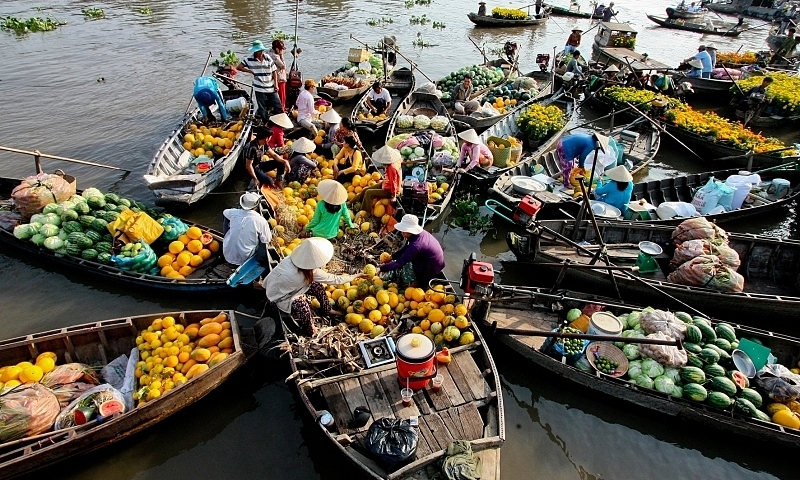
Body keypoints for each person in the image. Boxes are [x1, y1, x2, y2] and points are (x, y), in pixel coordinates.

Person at [265, 237, 367, 336]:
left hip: (276, 288)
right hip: (278, 298)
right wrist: (356, 275)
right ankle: (311, 329)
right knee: (302, 306)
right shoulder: (312, 273)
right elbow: (336, 280)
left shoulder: (290, 259)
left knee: (317, 286)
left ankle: (327, 310)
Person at [378, 214, 445, 288]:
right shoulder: (417, 235)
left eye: (404, 231)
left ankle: (419, 282)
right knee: (401, 260)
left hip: (431, 267)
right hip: (429, 260)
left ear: (411, 231)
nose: (402, 233)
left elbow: (399, 263)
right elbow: (405, 249)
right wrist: (392, 257)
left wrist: (381, 269)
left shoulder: (416, 245)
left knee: (405, 265)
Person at [237, 40, 282, 123]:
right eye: (259, 51)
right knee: (262, 107)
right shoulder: (249, 59)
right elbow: (239, 67)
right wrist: (250, 71)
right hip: (259, 88)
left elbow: (274, 72)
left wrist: (276, 84)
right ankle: (266, 123)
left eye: (262, 51)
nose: (261, 53)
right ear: (255, 51)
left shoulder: (267, 58)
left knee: (277, 105)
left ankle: (280, 121)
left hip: (270, 86)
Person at [222, 192, 272, 266]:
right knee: (263, 241)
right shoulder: (260, 221)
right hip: (245, 257)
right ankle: (259, 262)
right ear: (256, 206)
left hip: (227, 253)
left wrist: (226, 232)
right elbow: (266, 240)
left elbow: (225, 213)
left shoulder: (233, 213)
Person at [360, 146, 402, 211]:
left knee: (368, 193)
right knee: (365, 190)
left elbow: (394, 182)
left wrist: (394, 196)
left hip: (389, 191)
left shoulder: (391, 168)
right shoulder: (396, 161)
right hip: (385, 183)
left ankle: (364, 212)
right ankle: (351, 202)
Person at [267, 39, 288, 112]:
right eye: (281, 49)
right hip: (279, 78)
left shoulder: (268, 53)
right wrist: (281, 55)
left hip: (271, 78)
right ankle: (282, 110)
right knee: (282, 96)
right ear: (276, 49)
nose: (282, 51)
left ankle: (279, 109)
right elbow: (283, 66)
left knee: (276, 96)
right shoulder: (275, 56)